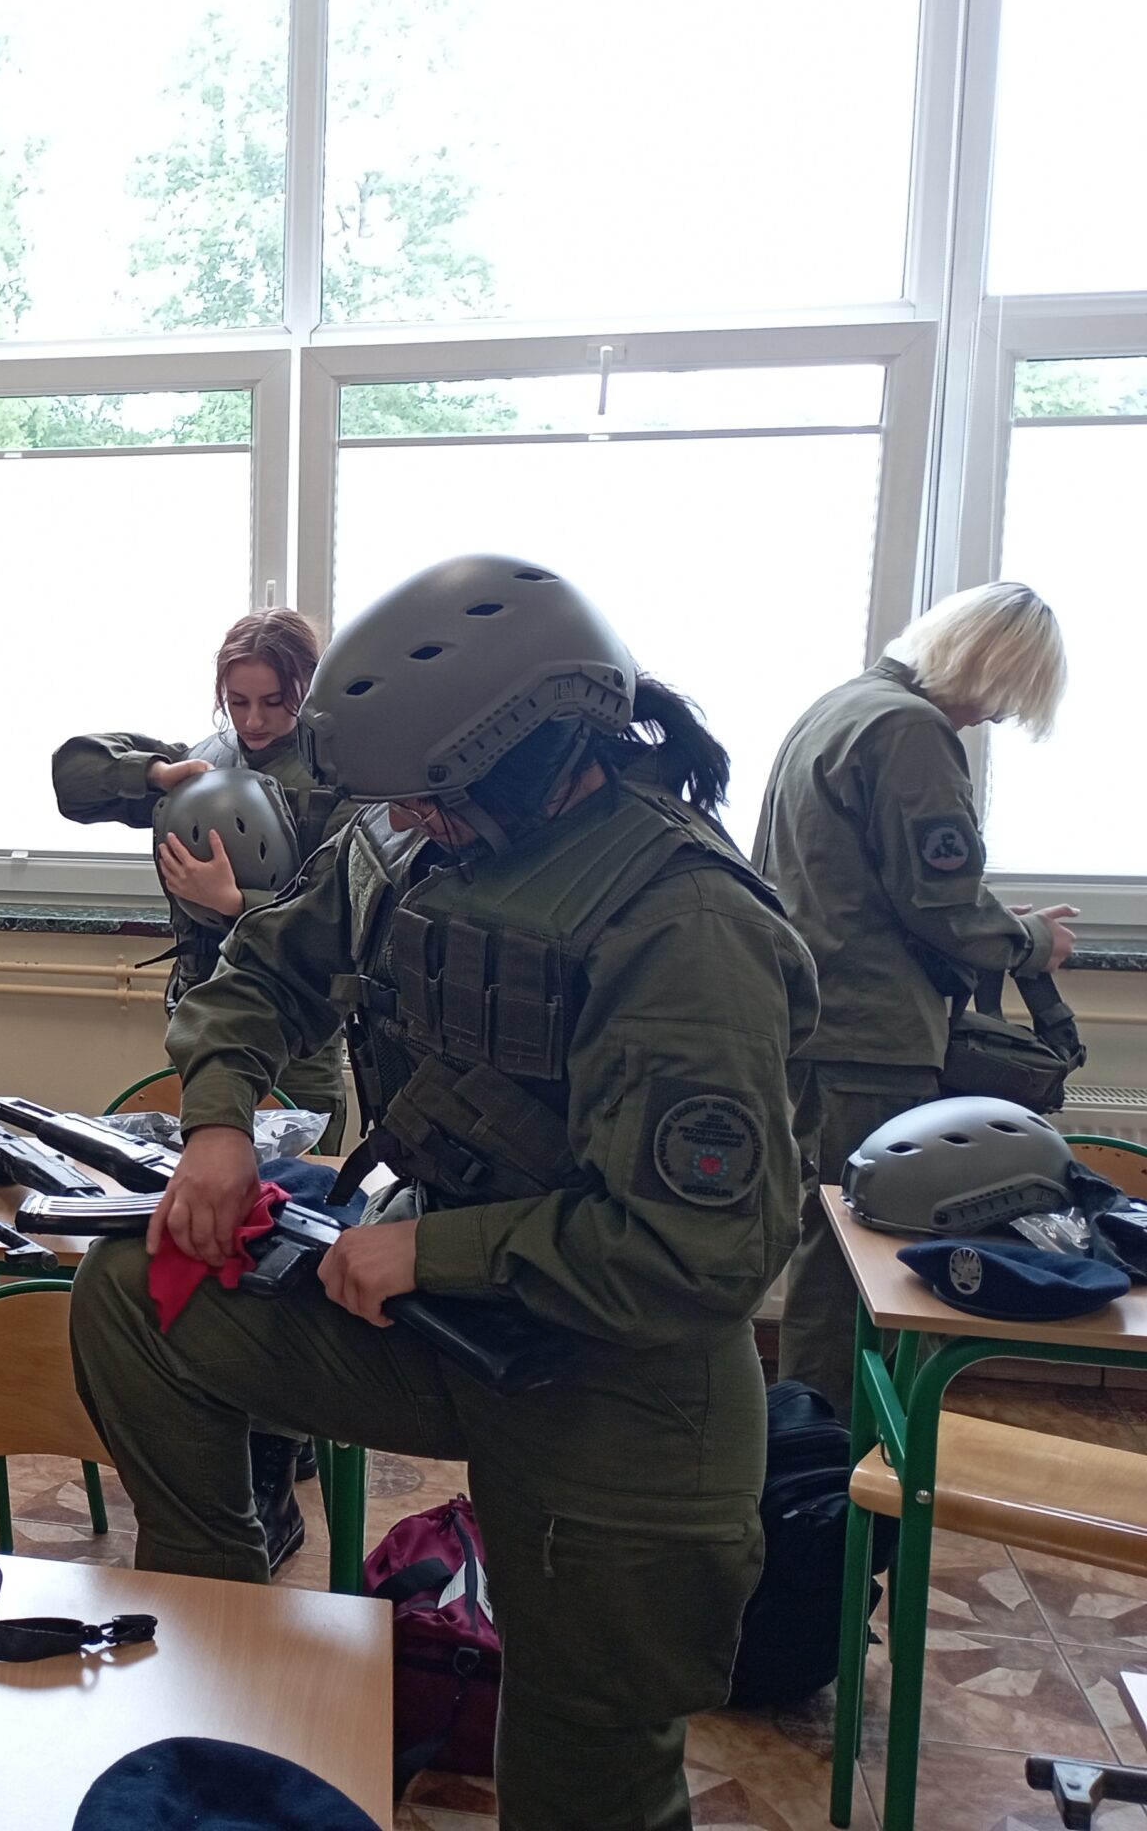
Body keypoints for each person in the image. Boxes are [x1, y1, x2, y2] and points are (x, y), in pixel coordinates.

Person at [69, 555, 818, 1831]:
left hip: (619, 1377)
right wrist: (218, 1122)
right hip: (438, 1321)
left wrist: (435, 1252)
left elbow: (700, 1249)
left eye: (432, 795)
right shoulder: (406, 839)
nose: (408, 814)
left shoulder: (684, 925)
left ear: (539, 752)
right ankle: (222, 1636)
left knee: (583, 1770)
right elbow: (264, 968)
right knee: (139, 1291)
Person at [754, 581, 1075, 1418]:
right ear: (989, 665)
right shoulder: (911, 731)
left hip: (814, 1022)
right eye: (1008, 695)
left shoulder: (839, 709)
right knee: (865, 1256)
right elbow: (941, 903)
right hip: (870, 1036)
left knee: (832, 1238)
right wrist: (1029, 942)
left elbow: (879, 886)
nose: (996, 716)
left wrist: (1000, 925)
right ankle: (829, 1453)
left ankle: (814, 1436)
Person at [52, 608, 355, 1148]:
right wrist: (154, 773)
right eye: (237, 702)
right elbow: (72, 778)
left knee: (299, 1190)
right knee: (205, 1177)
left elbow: (348, 915)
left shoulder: (344, 778)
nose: (253, 720)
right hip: (201, 1017)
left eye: (274, 702)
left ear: (309, 686)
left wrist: (238, 902)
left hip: (297, 1034)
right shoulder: (201, 763)